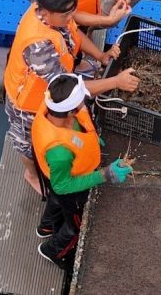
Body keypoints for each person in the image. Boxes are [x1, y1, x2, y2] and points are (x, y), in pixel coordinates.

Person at [3, 0, 140, 193]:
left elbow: (74, 32)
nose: (71, 17)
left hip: (60, 81)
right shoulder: (38, 47)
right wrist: (116, 81)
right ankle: (30, 174)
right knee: (26, 143)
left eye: (71, 12)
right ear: (46, 12)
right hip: (28, 103)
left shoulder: (56, 15)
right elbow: (71, 90)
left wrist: (101, 55)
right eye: (66, 14)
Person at [32, 74, 134, 270]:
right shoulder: (59, 152)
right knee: (74, 226)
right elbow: (62, 186)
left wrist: (93, 141)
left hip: (53, 173)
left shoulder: (51, 105)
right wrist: (104, 174)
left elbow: (78, 132)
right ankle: (53, 251)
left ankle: (46, 226)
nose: (84, 103)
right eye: (81, 101)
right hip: (68, 187)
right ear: (71, 111)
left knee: (54, 199)